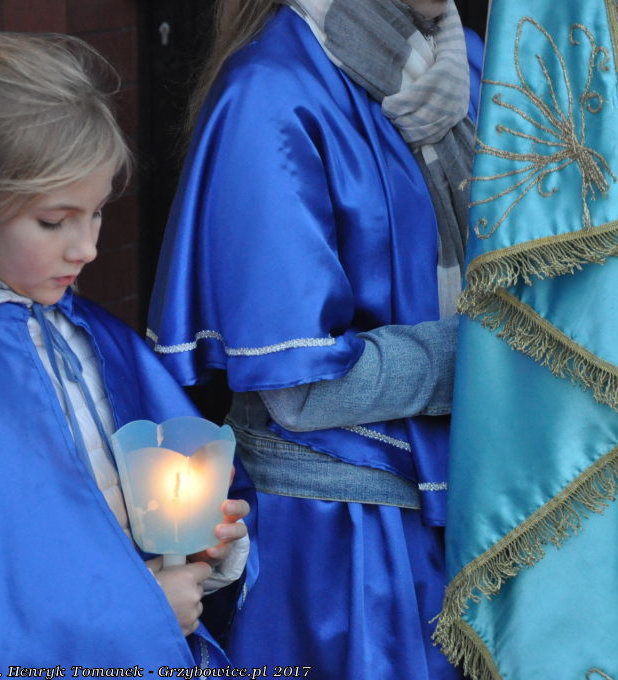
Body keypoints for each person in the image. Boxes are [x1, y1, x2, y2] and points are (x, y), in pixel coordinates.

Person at [0, 32, 253, 676]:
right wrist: (143, 613)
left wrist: (205, 546)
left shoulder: (90, 335)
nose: (86, 248)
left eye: (95, 214)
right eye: (54, 220)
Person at [147, 0, 483, 677]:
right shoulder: (268, 92)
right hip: (346, 539)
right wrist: (487, 355)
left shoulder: (471, 56)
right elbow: (300, 390)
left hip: (473, 497)